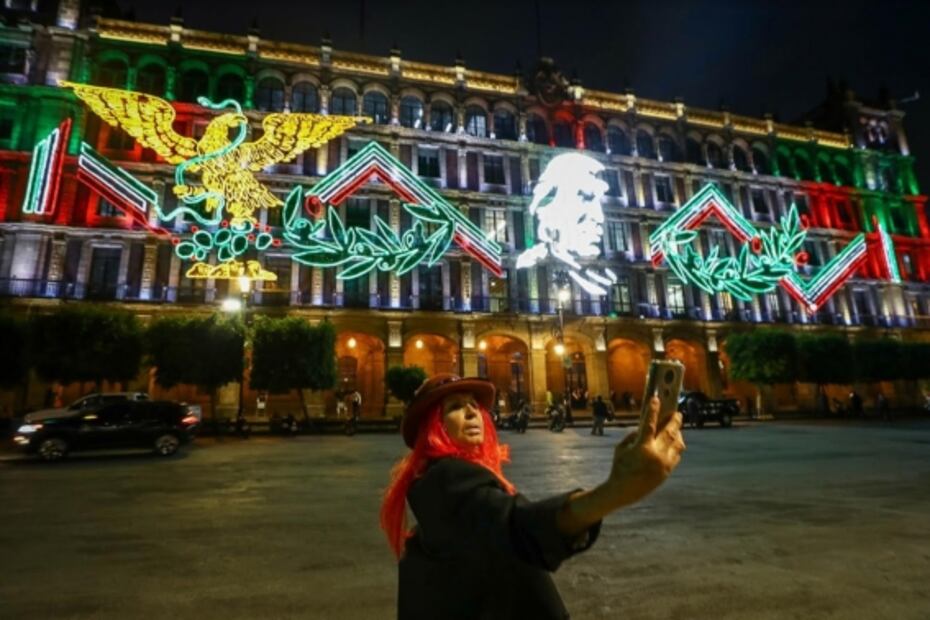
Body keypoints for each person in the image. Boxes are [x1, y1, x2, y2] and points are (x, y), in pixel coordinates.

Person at [381, 373, 685, 619]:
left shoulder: (433, 486)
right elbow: (517, 527)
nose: (473, 411)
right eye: (455, 406)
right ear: (434, 428)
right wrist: (614, 492)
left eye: (474, 404)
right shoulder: (448, 478)